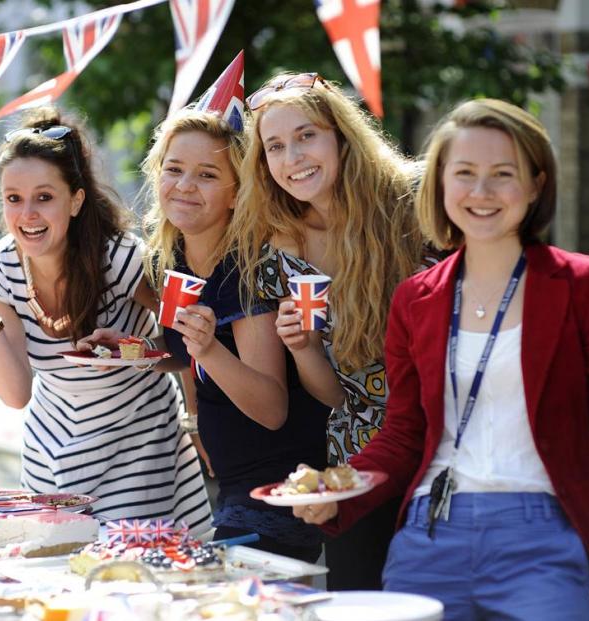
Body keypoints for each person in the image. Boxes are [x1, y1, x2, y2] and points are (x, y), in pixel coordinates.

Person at [294, 98, 589, 619]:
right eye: (465, 173)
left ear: (537, 184)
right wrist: (337, 491)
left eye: (503, 174)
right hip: (431, 533)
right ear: (440, 184)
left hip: (541, 534)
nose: (481, 192)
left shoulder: (582, 284)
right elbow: (403, 434)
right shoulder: (416, 298)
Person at [0, 107, 212, 530]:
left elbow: (187, 343)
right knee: (58, 574)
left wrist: (192, 419)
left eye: (44, 198)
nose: (28, 214)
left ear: (76, 200)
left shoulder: (120, 258)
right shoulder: (0, 266)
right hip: (53, 443)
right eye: (14, 199)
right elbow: (14, 393)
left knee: (124, 570)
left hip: (137, 442)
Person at [230, 72, 429, 588]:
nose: (292, 157)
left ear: (341, 135)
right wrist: (305, 349)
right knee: (359, 601)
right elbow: (340, 398)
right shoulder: (282, 255)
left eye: (306, 136)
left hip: (442, 450)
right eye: (274, 146)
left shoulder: (412, 207)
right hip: (355, 462)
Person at [132, 93, 328, 560]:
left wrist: (208, 353)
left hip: (278, 492)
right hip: (231, 484)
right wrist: (137, 353)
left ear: (237, 191)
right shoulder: (176, 257)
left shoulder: (244, 271)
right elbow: (183, 348)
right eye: (174, 168)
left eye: (207, 174)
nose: (184, 185)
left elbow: (272, 407)